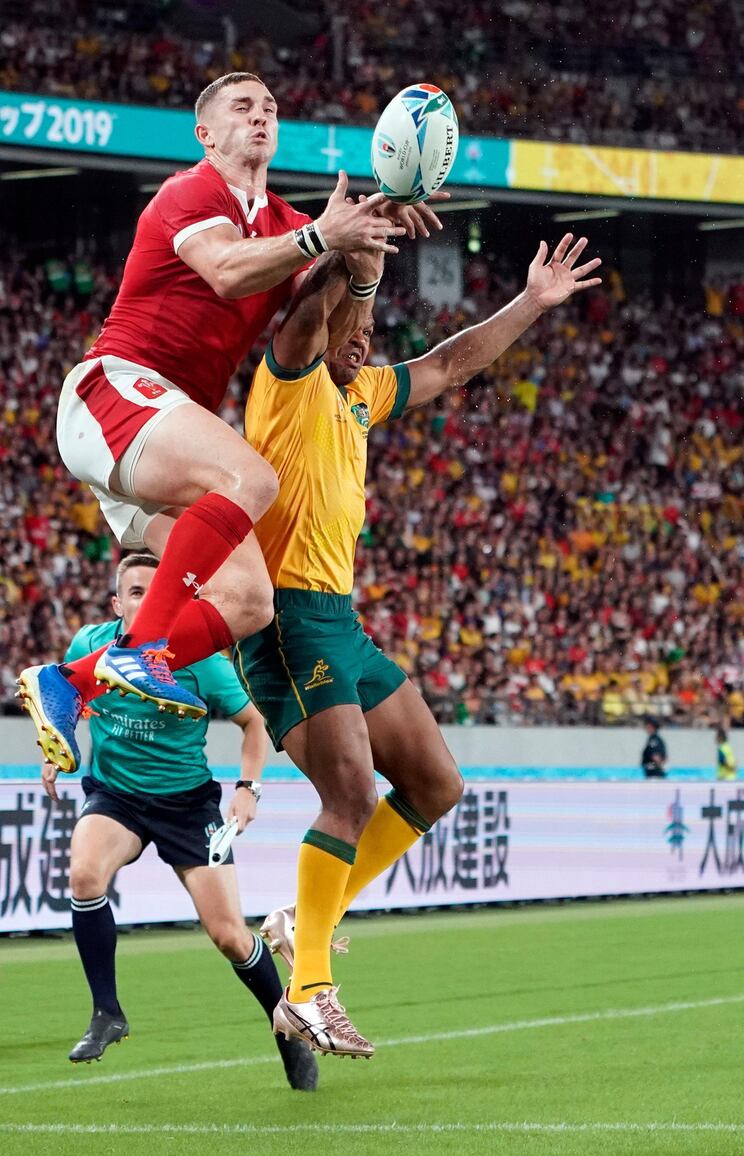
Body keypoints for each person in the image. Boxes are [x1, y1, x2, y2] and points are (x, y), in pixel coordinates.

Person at [237, 231, 602, 1056]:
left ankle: (304, 920)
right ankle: (310, 989)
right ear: (324, 317)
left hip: (340, 618)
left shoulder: (360, 391)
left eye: (372, 322)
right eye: (353, 319)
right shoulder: (286, 381)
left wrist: (531, 303)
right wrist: (346, 259)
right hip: (288, 618)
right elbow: (299, 319)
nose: (365, 335)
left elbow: (449, 364)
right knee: (354, 796)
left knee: (436, 784)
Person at [17, 70, 439, 776]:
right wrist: (319, 238)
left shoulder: (282, 222)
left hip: (158, 436)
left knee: (249, 600)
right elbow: (223, 270)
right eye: (242, 108)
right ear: (206, 134)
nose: (261, 117)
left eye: (271, 107)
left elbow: (329, 329)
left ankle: (73, 682)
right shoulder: (191, 192)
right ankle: (142, 656)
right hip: (114, 392)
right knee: (251, 475)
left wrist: (368, 244)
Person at [44, 553, 318, 1090]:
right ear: (117, 603)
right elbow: (67, 698)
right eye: (137, 591)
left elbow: (254, 722)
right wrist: (57, 747)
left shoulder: (198, 659)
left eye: (159, 590)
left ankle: (285, 1025)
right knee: (83, 875)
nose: (149, 600)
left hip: (187, 806)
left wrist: (247, 788)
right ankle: (107, 1013)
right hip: (116, 797)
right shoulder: (89, 647)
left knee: (228, 935)